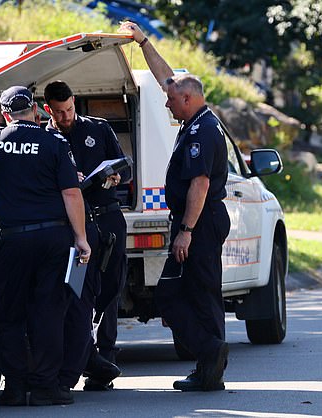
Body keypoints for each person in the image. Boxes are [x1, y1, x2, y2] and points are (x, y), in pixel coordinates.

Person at [0, 86, 90, 406]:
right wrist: (81, 238)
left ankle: (14, 388)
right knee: (49, 313)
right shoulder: (55, 142)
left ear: (4, 114)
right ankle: (45, 388)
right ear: (37, 110)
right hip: (53, 238)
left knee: (10, 315)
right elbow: (71, 194)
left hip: (14, 239)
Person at [119, 22, 231, 392]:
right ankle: (208, 369)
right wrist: (143, 41)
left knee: (179, 293)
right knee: (196, 295)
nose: (166, 102)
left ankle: (210, 354)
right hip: (196, 223)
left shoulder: (203, 132)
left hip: (198, 224)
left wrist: (186, 231)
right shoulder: (196, 118)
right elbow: (167, 78)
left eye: (171, 100)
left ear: (187, 99)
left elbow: (199, 185)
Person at [44, 81, 130, 391]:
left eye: (69, 110)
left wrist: (115, 176)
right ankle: (92, 362)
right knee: (81, 294)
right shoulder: (46, 137)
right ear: (48, 110)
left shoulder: (98, 128)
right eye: (59, 112)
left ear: (75, 102)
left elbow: (124, 167)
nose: (66, 116)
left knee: (111, 288)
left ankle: (102, 355)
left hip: (106, 218)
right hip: (73, 227)